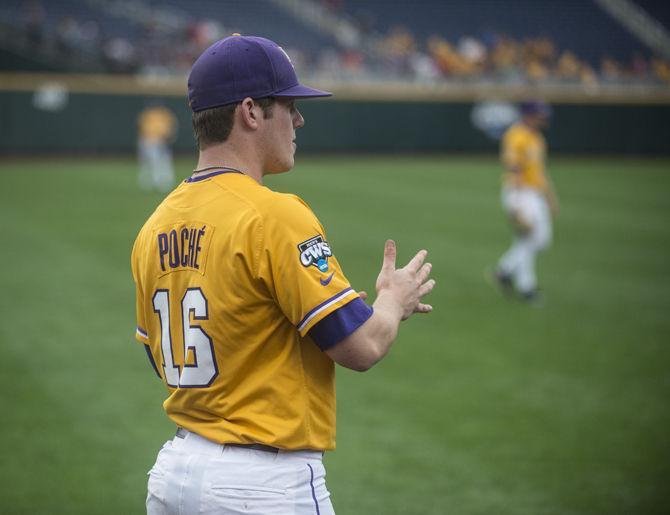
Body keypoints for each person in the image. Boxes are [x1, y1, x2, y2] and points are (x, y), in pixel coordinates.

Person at [130, 34, 435, 515]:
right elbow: (362, 347)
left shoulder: (154, 227)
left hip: (174, 477)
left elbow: (160, 359)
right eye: (289, 105)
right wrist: (392, 300)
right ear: (250, 112)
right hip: (260, 486)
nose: (299, 119)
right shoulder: (273, 215)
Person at [494, 100, 558, 304]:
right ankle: (526, 287)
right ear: (528, 115)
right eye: (539, 114)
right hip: (521, 192)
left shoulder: (536, 137)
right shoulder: (516, 135)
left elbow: (540, 170)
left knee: (538, 240)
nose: (543, 118)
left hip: (535, 193)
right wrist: (516, 203)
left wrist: (550, 196)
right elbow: (514, 169)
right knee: (531, 239)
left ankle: (504, 270)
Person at [137, 103, 177, 192]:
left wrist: (168, 137)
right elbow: (141, 128)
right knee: (149, 163)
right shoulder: (149, 115)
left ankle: (161, 182)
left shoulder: (164, 115)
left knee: (162, 163)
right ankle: (150, 182)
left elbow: (170, 128)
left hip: (161, 142)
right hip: (149, 142)